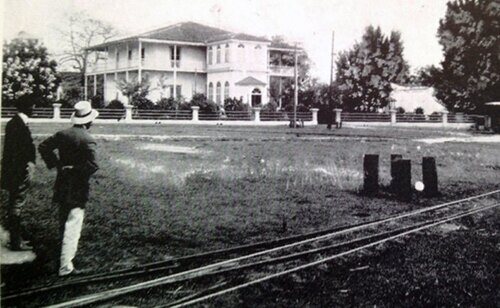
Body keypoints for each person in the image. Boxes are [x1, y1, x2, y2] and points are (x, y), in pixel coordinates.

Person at [39, 101, 99, 276]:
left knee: (63, 222)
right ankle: (65, 266)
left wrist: (57, 165)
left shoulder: (62, 134)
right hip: (78, 187)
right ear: (89, 122)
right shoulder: (88, 139)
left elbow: (43, 147)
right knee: (73, 225)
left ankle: (61, 259)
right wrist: (75, 169)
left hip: (62, 183)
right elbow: (93, 166)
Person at [1, 95, 36, 251]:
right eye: (33, 106)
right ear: (28, 107)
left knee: (14, 204)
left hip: (13, 170)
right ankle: (16, 242)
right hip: (18, 171)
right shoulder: (19, 125)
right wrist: (26, 168)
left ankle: (15, 239)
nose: (34, 109)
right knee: (16, 205)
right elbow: (18, 152)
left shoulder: (15, 123)